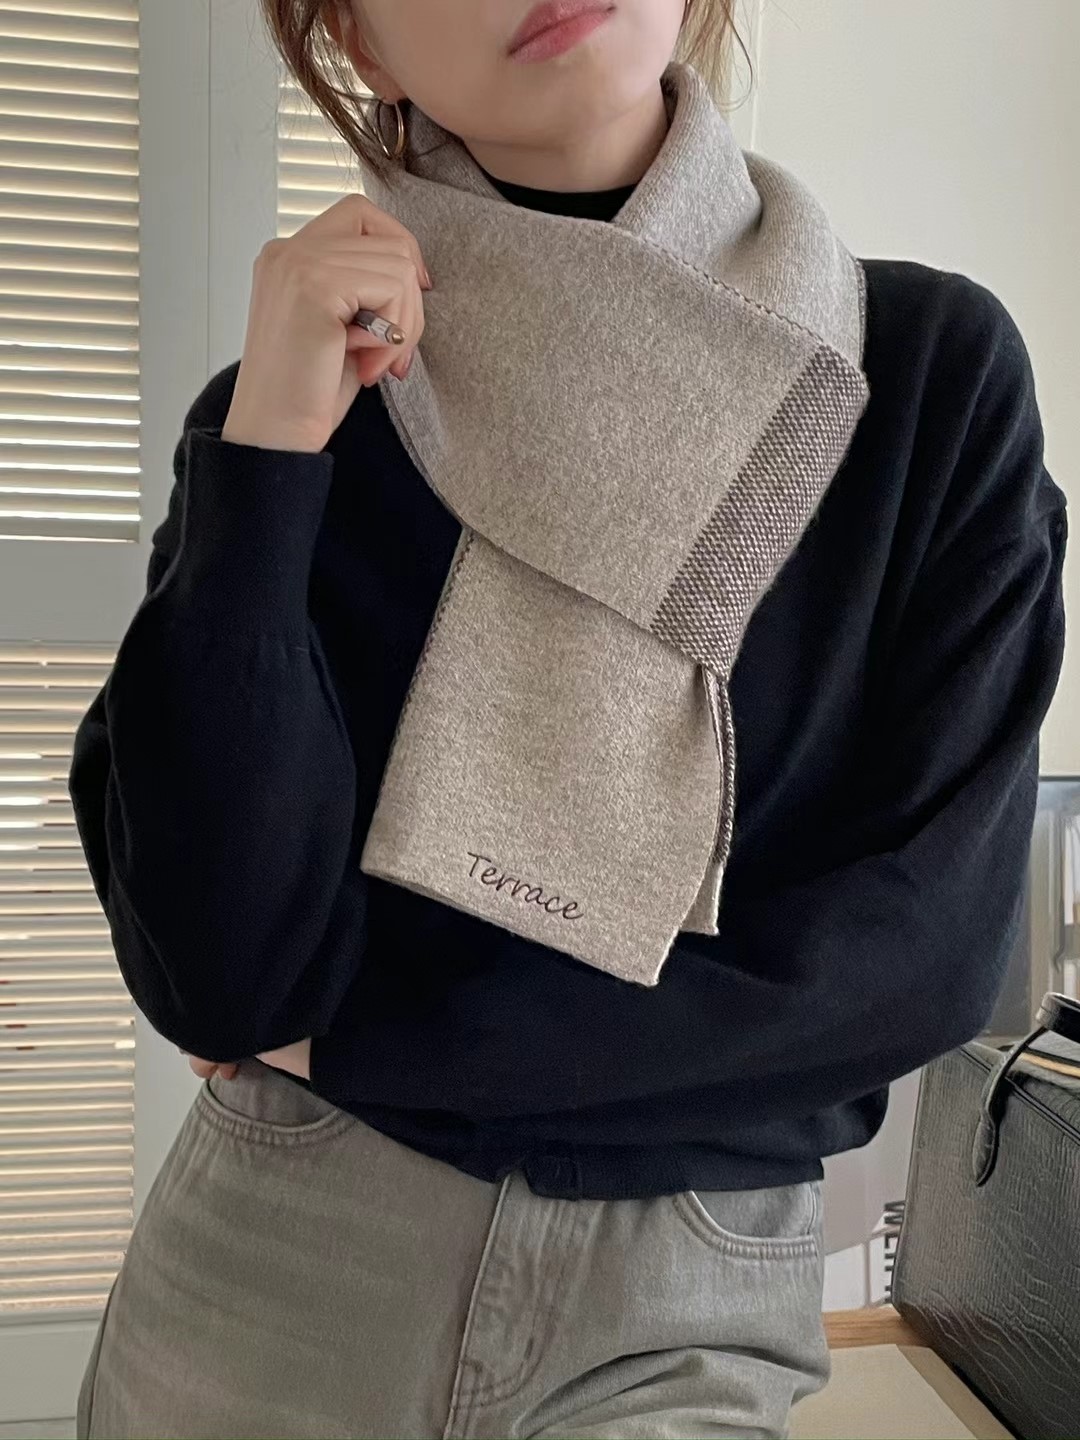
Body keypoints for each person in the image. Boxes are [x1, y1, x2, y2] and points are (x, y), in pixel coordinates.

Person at [68, 1, 1068, 1436]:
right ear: (357, 43)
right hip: (284, 1261)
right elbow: (220, 979)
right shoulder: (300, 408)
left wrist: (369, 1045)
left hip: (680, 1289)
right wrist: (270, 446)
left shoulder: (923, 377)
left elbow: (918, 959)